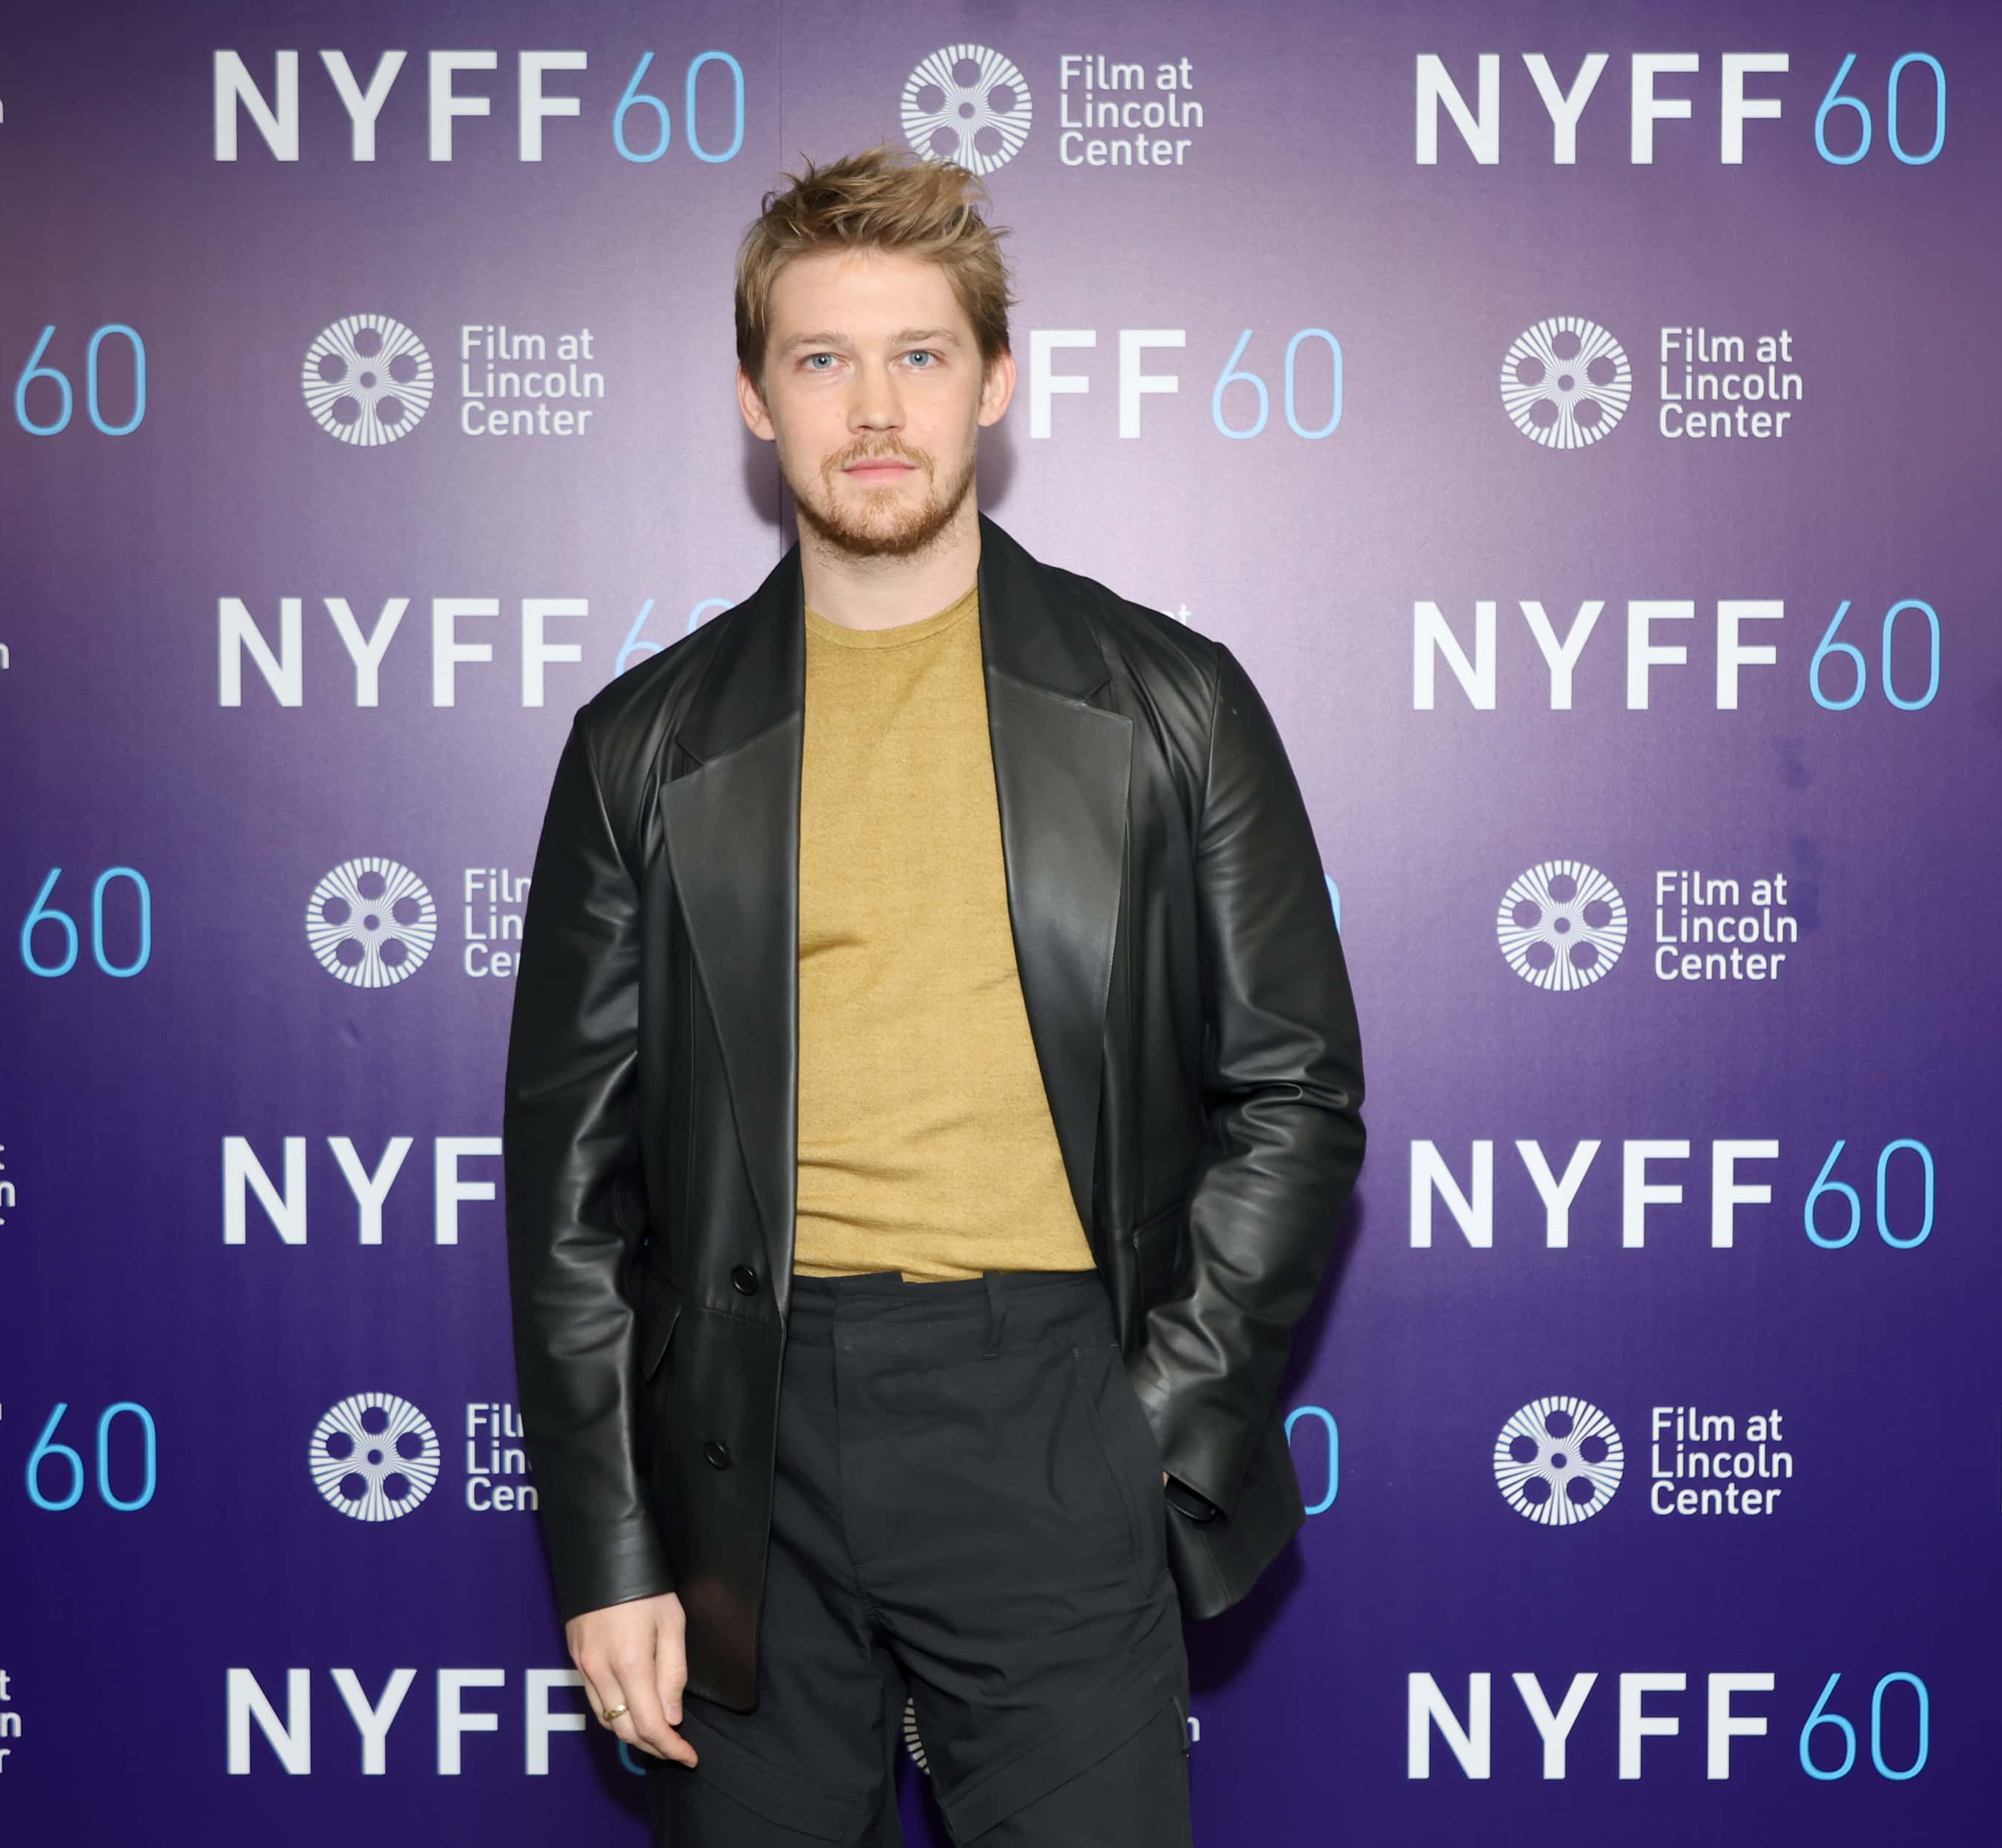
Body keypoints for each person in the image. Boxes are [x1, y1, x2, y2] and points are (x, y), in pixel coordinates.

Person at [504, 143, 1365, 1846]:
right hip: (742, 1441)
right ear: (754, 397)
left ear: (996, 382)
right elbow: (571, 1192)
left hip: (1051, 1404)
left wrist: (1152, 1426)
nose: (874, 408)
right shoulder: (640, 747)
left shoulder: (1173, 703)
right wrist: (609, 1551)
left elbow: (1293, 1093)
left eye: (919, 353)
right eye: (822, 358)